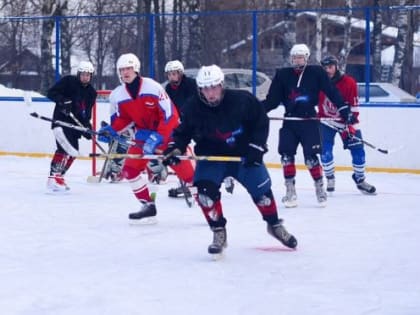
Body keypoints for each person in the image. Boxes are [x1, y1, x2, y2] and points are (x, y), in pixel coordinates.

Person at [162, 64, 297, 257]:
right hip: (211, 158)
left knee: (263, 194)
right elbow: (183, 133)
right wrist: (174, 148)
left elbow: (261, 121)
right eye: (206, 89)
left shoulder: (242, 101)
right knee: (205, 195)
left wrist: (257, 147)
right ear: (200, 89)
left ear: (222, 85)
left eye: (214, 87)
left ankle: (274, 224)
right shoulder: (193, 107)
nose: (211, 93)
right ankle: (218, 231)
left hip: (243, 155)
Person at [97, 53, 194, 222]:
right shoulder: (119, 94)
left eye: (128, 68)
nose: (125, 72)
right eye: (122, 69)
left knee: (189, 177)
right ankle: (148, 205)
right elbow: (125, 118)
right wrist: (112, 130)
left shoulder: (153, 87)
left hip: (168, 135)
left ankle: (209, 204)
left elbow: (170, 116)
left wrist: (158, 137)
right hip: (143, 137)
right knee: (130, 169)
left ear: (136, 69)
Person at [262, 44, 353, 208]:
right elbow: (272, 100)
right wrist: (257, 110)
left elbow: (331, 91)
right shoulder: (282, 75)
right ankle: (290, 192)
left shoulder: (316, 72)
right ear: (291, 58)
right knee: (286, 157)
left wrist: (343, 108)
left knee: (311, 159)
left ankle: (319, 189)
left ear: (307, 58)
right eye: (295, 57)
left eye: (301, 57)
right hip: (290, 121)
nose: (298, 60)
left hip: (309, 121)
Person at [319, 55, 376, 194]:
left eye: (330, 67)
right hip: (326, 122)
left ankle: (360, 180)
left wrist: (351, 121)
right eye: (325, 68)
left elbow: (354, 105)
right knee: (325, 152)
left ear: (336, 66)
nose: (328, 70)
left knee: (359, 153)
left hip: (346, 122)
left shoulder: (348, 82)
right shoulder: (319, 82)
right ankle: (330, 177)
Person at [46, 61, 97, 192]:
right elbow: (51, 93)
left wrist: (87, 127)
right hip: (61, 122)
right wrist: (63, 101)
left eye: (88, 75)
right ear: (78, 74)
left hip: (74, 127)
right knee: (64, 149)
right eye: (83, 74)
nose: (85, 77)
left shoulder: (91, 92)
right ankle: (53, 178)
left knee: (73, 152)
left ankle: (60, 177)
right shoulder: (68, 81)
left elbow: (86, 113)